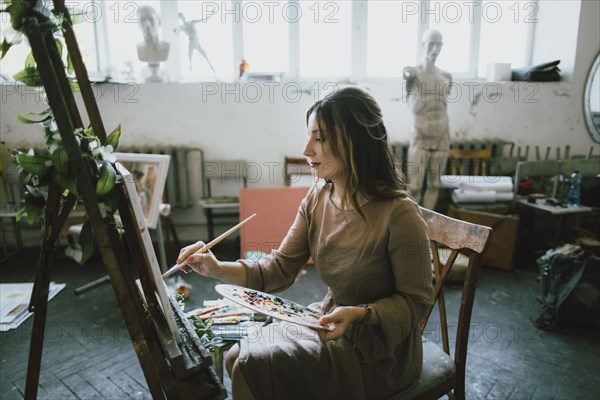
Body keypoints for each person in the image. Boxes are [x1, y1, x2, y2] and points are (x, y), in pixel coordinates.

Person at [178, 87, 434, 399]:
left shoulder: (399, 214)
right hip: (328, 321)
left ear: (355, 141)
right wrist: (216, 267)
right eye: (309, 136)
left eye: (320, 138)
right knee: (236, 356)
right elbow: (279, 269)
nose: (306, 150)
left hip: (380, 351)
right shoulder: (318, 196)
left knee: (249, 366)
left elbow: (417, 303)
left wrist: (360, 313)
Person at [403, 29, 453, 210]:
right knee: (414, 186)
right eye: (431, 43)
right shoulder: (413, 74)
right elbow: (413, 106)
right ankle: (413, 226)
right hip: (420, 136)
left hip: (442, 136)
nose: (435, 48)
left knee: (434, 185)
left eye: (439, 44)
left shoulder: (445, 77)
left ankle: (428, 228)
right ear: (423, 44)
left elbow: (444, 107)